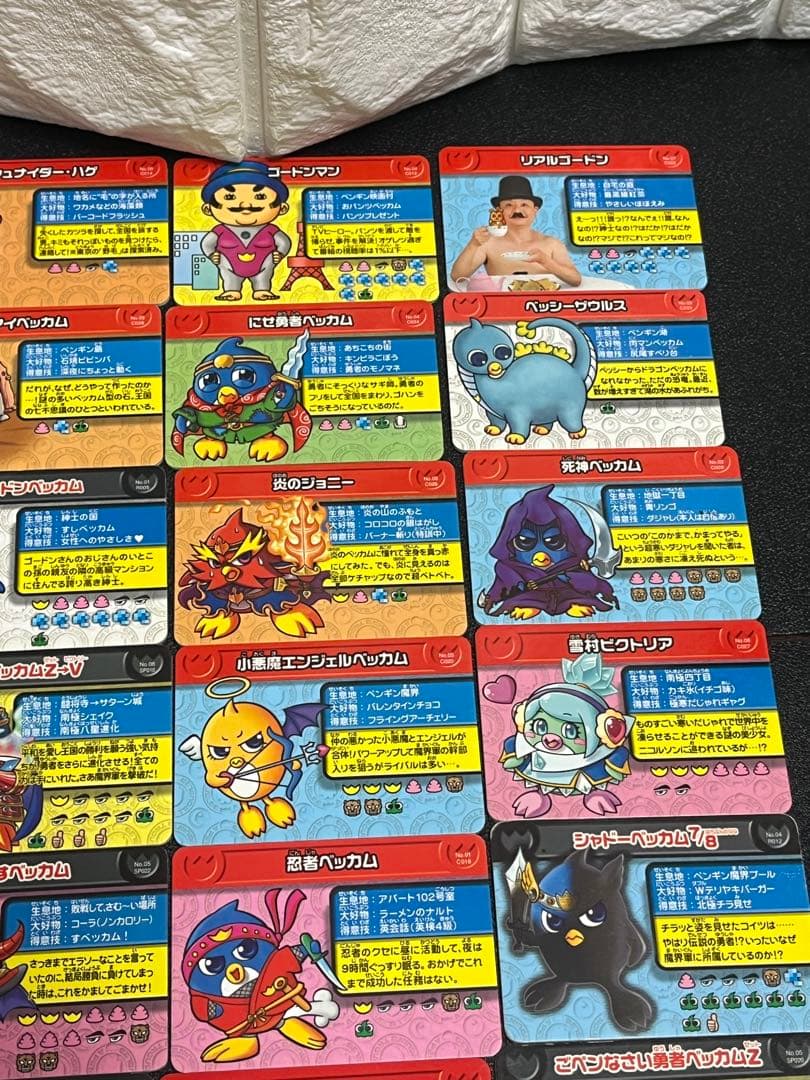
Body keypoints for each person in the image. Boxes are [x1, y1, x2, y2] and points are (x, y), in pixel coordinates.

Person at [451, 175, 582, 287]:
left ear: (535, 210)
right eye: (509, 205)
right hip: (502, 304)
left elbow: (575, 280)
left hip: (541, 303)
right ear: (499, 211)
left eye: (524, 205)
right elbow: (457, 277)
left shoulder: (552, 244)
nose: (517, 210)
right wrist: (473, 244)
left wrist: (546, 261)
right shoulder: (487, 243)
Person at [201, 161, 292, 301]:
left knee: (264, 275)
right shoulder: (219, 231)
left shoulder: (271, 230)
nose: (245, 204)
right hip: (229, 263)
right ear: (208, 209)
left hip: (263, 263)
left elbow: (284, 242)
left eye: (260, 197)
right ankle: (231, 290)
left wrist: (280, 253)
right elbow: (207, 243)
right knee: (228, 275)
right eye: (229, 197)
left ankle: (262, 289)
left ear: (282, 208)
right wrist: (211, 254)